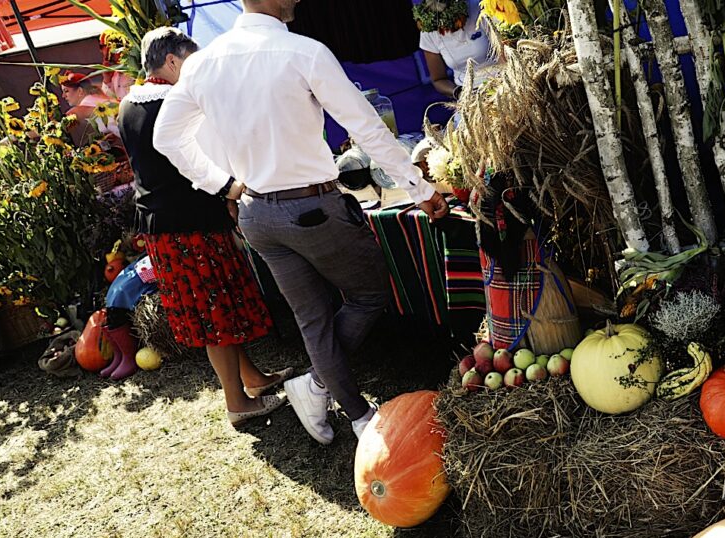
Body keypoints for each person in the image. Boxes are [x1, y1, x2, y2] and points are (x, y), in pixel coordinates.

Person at [152, 0, 450, 445]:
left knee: (313, 321)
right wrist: (420, 190)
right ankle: (320, 386)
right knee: (370, 294)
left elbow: (166, 137)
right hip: (309, 209)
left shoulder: (205, 63)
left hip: (256, 214)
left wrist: (223, 185)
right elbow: (366, 126)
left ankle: (354, 414)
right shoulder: (302, 51)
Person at [119, 27, 292, 427]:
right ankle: (237, 403)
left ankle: (252, 379)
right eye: (192, 61)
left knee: (221, 311)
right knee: (216, 315)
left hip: (163, 228)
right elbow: (203, 161)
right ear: (173, 61)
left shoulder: (129, 104)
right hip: (190, 224)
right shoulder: (173, 102)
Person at [417, 0, 497, 99]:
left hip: (500, 81)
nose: (446, 27)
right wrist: (459, 93)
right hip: (469, 95)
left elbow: (505, 51)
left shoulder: (480, 7)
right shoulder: (428, 31)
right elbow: (438, 79)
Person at [60, 72, 118, 141]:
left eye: (66, 91)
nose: (63, 96)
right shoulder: (97, 99)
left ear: (80, 91)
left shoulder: (85, 105)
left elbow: (63, 121)